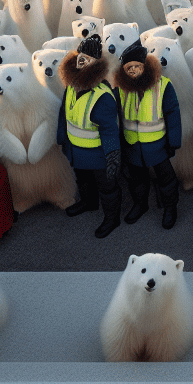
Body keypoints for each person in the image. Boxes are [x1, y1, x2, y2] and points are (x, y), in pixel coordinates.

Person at [57, 34, 123, 239]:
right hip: (76, 150)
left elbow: (110, 130)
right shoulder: (70, 86)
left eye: (87, 60)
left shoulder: (102, 96)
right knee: (83, 180)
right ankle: (88, 202)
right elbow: (64, 114)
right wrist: (62, 137)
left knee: (107, 187)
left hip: (98, 154)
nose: (81, 63)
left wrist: (113, 156)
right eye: (80, 58)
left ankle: (112, 218)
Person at [114, 41, 182, 230]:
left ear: (145, 67)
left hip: (157, 143)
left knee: (166, 178)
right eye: (129, 67)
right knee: (136, 179)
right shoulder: (121, 88)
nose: (134, 70)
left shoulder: (163, 86)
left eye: (137, 66)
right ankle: (140, 204)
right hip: (132, 144)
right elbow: (116, 114)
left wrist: (173, 142)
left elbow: (172, 113)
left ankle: (170, 208)